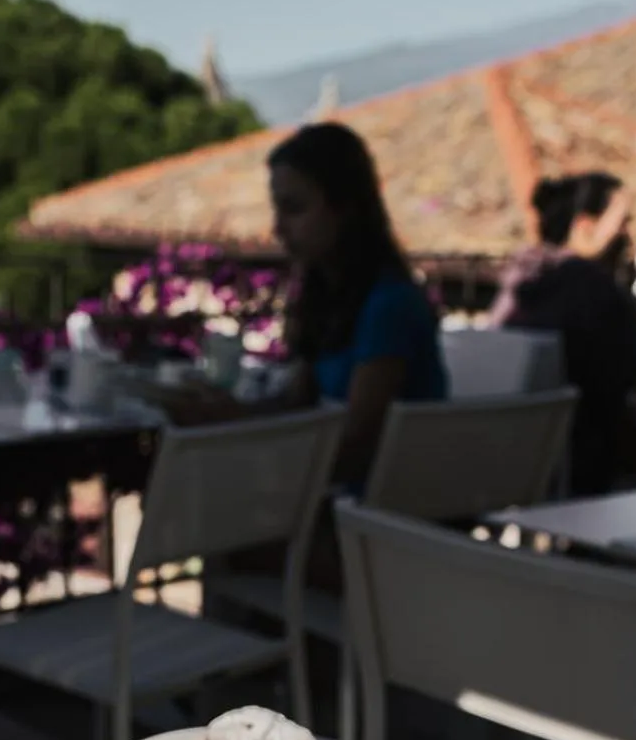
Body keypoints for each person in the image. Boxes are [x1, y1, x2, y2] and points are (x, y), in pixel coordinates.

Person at [159, 121, 447, 490]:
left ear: (345, 208)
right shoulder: (334, 298)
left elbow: (354, 444)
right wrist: (227, 413)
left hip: (380, 519)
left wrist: (237, 426)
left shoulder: (388, 307)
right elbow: (298, 401)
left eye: (294, 209)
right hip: (340, 503)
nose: (278, 229)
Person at [492, 171, 636, 496]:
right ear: (585, 226)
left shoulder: (524, 273)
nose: (628, 234)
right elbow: (618, 389)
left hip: (505, 453)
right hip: (574, 468)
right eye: (622, 222)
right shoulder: (594, 293)